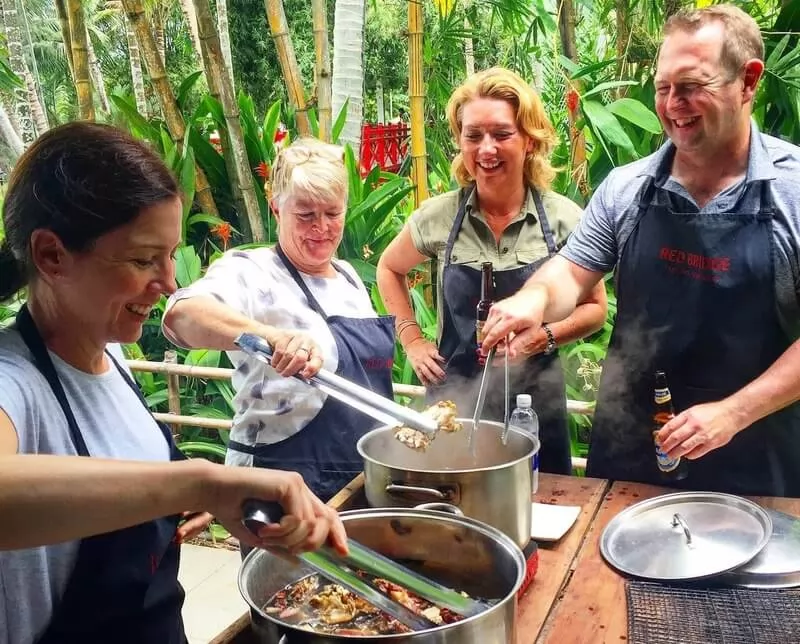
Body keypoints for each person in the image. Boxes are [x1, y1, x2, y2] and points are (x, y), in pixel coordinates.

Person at [0, 122, 346, 644]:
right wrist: (201, 481)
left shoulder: (109, 354)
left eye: (170, 255)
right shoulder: (15, 380)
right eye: (144, 259)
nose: (168, 282)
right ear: (51, 255)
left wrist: (187, 495)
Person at [480, 5, 800, 497]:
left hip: (757, 461)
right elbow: (571, 273)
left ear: (748, 81)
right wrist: (534, 299)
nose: (673, 104)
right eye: (663, 87)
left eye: (692, 86)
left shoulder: (792, 192)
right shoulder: (627, 189)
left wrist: (733, 413)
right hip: (632, 451)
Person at [376, 67, 607, 475]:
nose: (486, 149)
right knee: (451, 510)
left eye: (502, 134)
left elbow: (594, 309)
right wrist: (411, 339)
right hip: (454, 401)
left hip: (535, 403)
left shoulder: (564, 220)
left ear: (529, 140)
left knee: (542, 507)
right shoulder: (439, 218)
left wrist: (543, 337)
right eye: (473, 135)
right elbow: (389, 269)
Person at [163, 137, 395, 502]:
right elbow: (182, 314)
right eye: (305, 214)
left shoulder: (349, 277)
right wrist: (270, 336)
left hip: (356, 476)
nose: (321, 227)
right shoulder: (251, 272)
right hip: (279, 476)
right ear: (276, 209)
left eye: (332, 213)